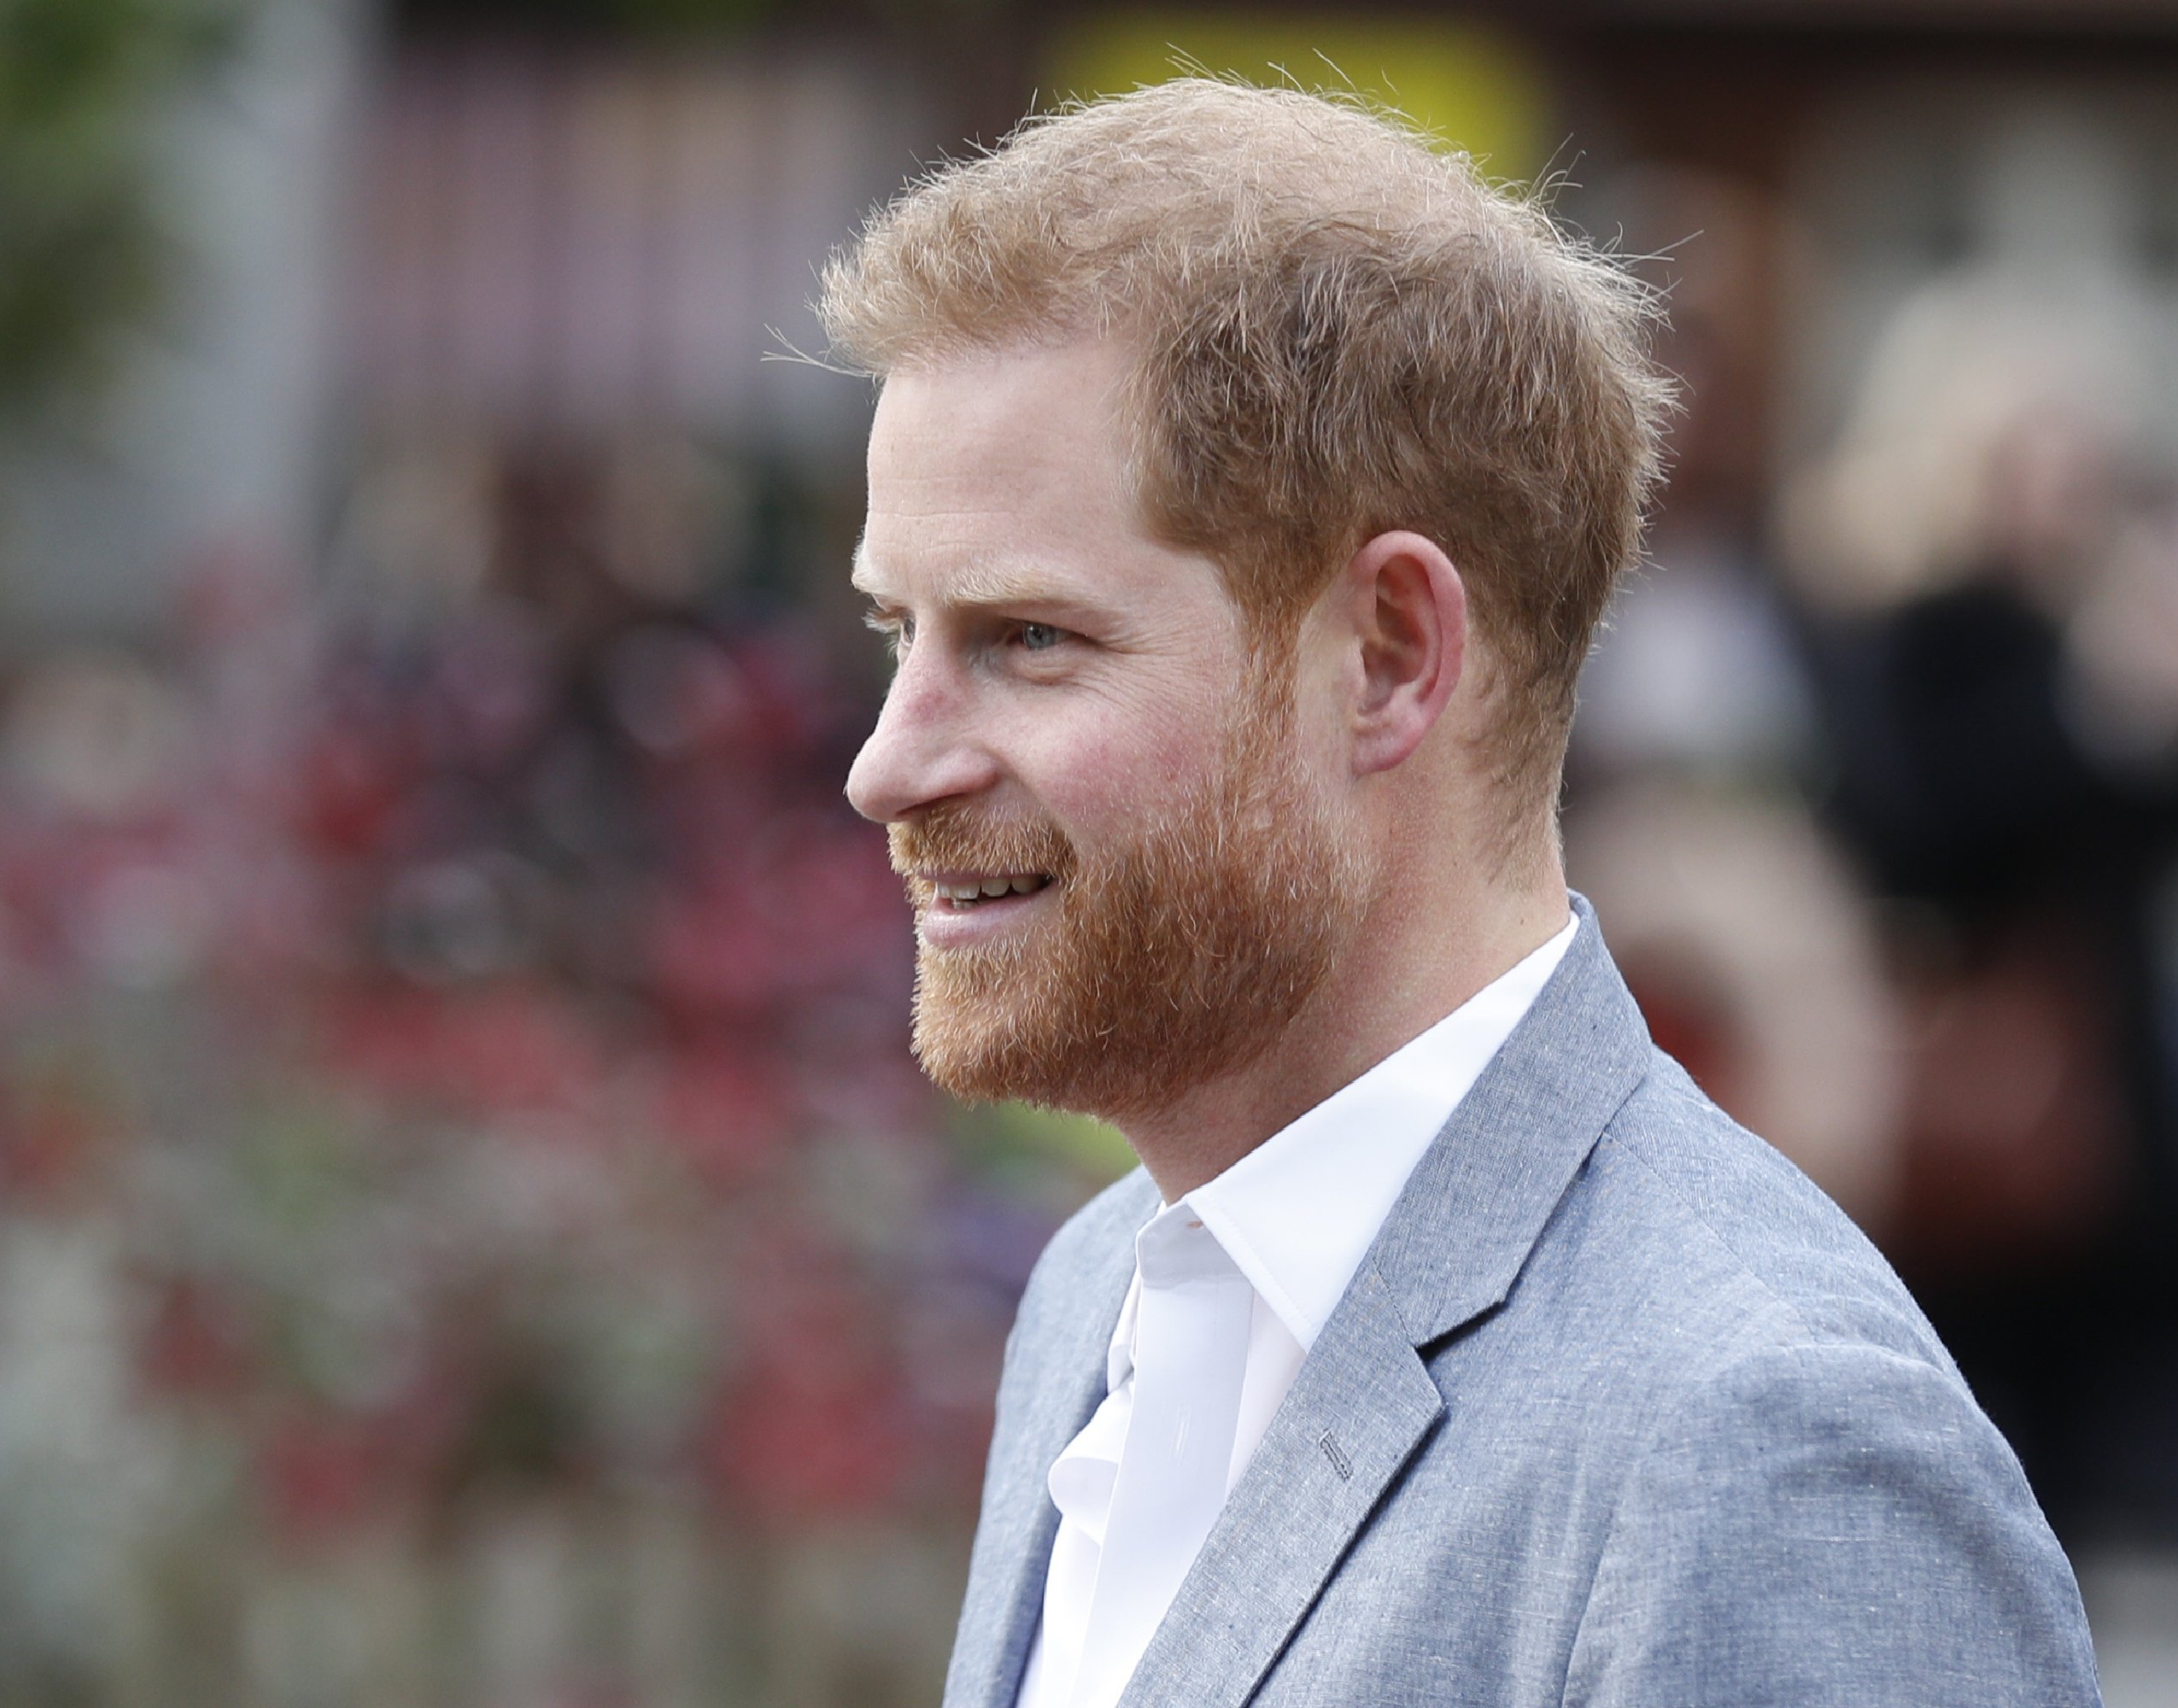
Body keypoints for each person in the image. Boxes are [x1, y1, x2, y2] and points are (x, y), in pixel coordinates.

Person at [819, 79, 2100, 1708]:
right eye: (895, 633)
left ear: (1391, 657)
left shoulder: (1762, 1444)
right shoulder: (1099, 1291)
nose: (888, 762)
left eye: (1028, 639)